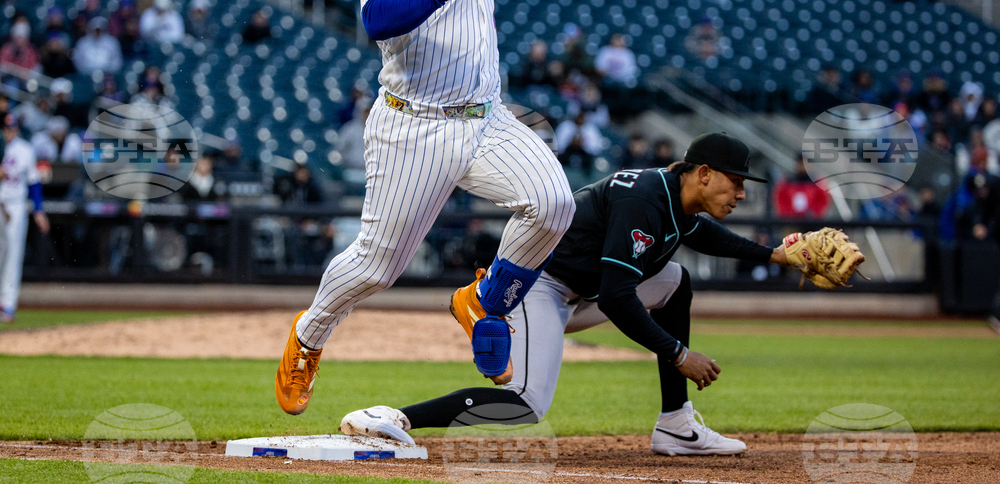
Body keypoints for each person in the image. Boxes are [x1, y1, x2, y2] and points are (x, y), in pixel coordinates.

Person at [274, 0, 575, 416]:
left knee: (553, 203)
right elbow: (377, 19)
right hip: (415, 128)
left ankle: (484, 303)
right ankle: (310, 335)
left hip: (486, 118)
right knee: (375, 267)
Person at [340, 133, 845, 456]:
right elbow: (620, 298)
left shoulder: (676, 199)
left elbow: (701, 236)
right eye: (735, 183)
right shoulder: (646, 199)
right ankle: (394, 416)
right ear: (704, 174)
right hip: (536, 286)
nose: (740, 193)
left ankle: (676, 425)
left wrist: (775, 256)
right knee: (525, 405)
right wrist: (678, 353)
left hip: (577, 291)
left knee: (674, 283)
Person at [0, 114, 49, 323]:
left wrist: (38, 210)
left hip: (16, 205)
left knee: (13, 254)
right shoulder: (1, 147)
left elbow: (33, 182)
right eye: (7, 128)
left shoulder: (25, 149)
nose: (10, 132)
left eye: (13, 128)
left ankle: (8, 304)